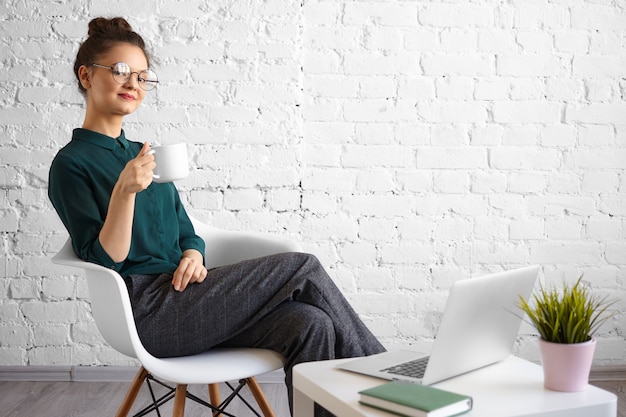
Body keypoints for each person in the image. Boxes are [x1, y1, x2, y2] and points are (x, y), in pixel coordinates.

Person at [48, 17, 385, 416]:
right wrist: (124, 191)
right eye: (121, 71)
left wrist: (192, 255)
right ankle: (390, 380)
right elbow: (106, 260)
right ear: (86, 75)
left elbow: (187, 232)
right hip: (148, 312)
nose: (133, 84)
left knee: (312, 323)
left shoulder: (143, 153)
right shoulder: (71, 165)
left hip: (188, 298)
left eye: (142, 76)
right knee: (304, 267)